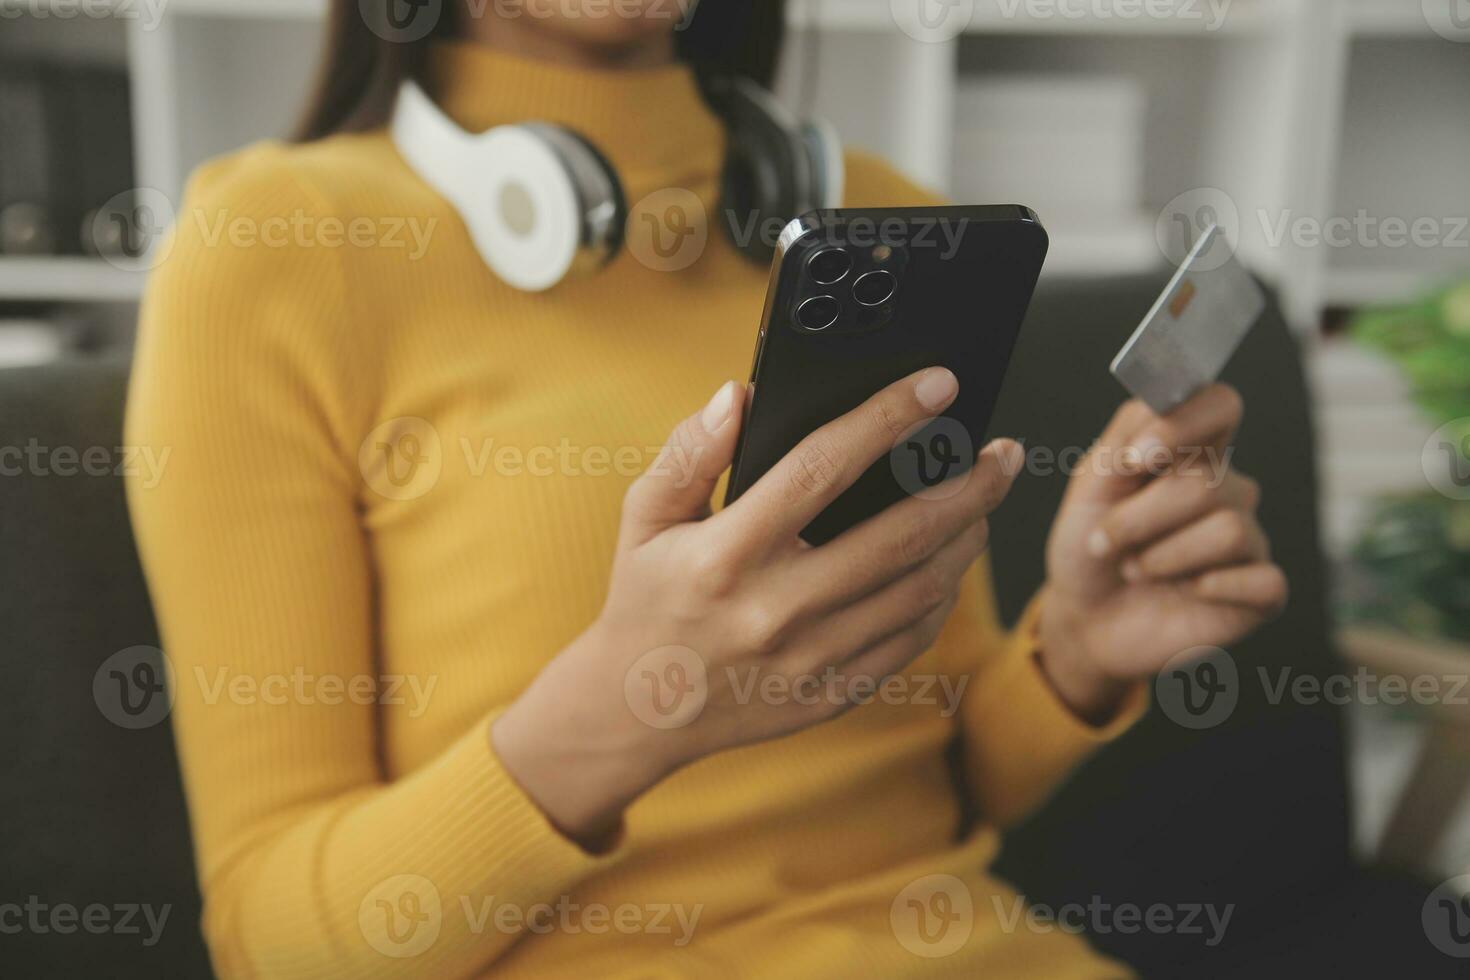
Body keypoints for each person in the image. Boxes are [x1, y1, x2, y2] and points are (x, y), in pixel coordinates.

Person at [124, 2, 1287, 976]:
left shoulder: (880, 214)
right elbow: (269, 935)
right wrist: (631, 705)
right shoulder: (274, 247)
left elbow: (934, 779)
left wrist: (1074, 651)